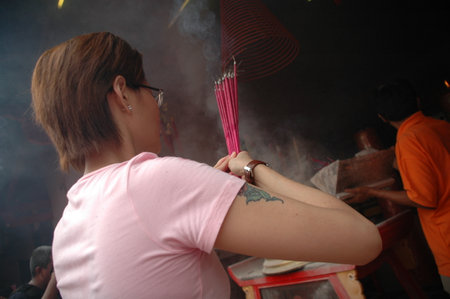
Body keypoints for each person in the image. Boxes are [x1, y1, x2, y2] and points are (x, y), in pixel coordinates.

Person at [31, 32, 382, 298]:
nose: (158, 107)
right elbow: (363, 239)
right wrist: (252, 167)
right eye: (151, 91)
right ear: (122, 92)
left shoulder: (66, 227)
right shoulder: (155, 181)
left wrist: (203, 197)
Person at [346, 79, 450, 295]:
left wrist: (371, 192)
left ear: (382, 118)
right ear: (418, 101)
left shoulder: (409, 141)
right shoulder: (441, 127)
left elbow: (424, 199)